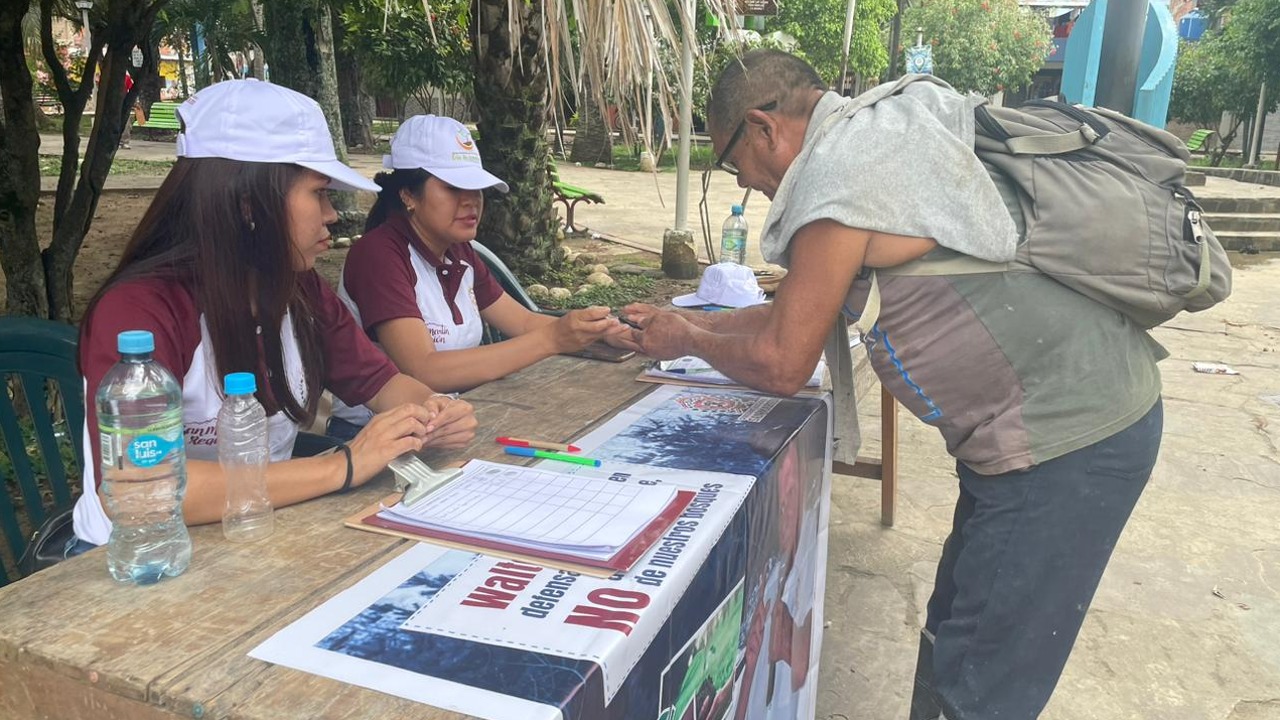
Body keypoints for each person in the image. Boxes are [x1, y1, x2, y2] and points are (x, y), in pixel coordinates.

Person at [624, 50, 1164, 719]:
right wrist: (689, 323)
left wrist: (687, 340)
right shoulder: (868, 138)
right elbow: (793, 313)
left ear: (764, 128)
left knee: (982, 683)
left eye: (736, 165)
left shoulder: (838, 178)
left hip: (1067, 440)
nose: (748, 185)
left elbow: (784, 361)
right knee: (954, 633)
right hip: (1040, 429)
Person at [73, 79, 477, 549]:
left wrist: (433, 412)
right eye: (319, 194)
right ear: (249, 203)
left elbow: (383, 384)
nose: (332, 214)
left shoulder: (297, 287)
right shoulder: (140, 310)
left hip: (257, 537)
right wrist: (344, 464)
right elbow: (144, 488)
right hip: (144, 558)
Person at [332, 115, 627, 436]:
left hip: (451, 421)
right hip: (374, 436)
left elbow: (524, 322)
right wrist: (552, 339)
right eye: (453, 187)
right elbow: (423, 369)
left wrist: (599, 331)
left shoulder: (459, 249)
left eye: (478, 188)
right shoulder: (380, 255)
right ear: (408, 194)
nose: (471, 200)